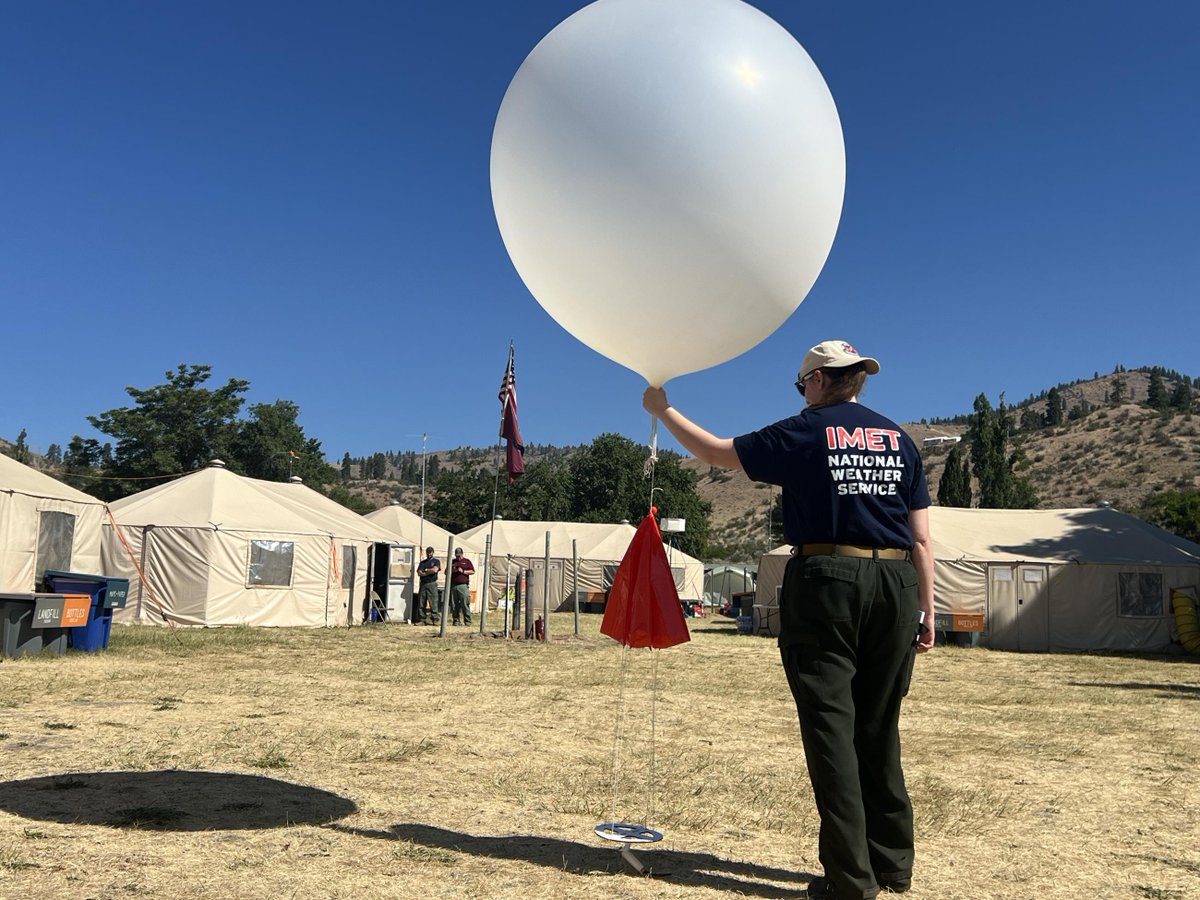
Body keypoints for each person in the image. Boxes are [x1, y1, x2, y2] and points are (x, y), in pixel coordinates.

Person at [643, 340, 935, 900]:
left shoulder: (807, 430)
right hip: (896, 584)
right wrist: (927, 607)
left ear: (820, 381)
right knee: (878, 727)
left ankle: (851, 881)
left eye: (802, 384)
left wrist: (663, 409)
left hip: (828, 578)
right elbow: (922, 537)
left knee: (831, 727)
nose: (803, 393)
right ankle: (893, 864)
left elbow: (717, 453)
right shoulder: (901, 440)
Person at [449, 548, 475, 626]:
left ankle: (467, 621)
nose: (458, 558)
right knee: (454, 604)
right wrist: (453, 570)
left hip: (463, 585)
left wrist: (463, 571)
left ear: (462, 554)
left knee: (465, 603)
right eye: (457, 556)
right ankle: (456, 621)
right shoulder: (453, 562)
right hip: (454, 585)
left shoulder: (467, 561)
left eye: (459, 556)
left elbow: (472, 571)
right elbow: (446, 572)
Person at [415, 547, 441, 626]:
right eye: (428, 552)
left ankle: (435, 619)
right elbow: (419, 572)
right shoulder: (423, 562)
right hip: (423, 583)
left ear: (433, 552)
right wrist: (428, 571)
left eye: (430, 552)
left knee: (433, 602)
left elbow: (435, 570)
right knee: (421, 602)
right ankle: (422, 619)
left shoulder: (436, 561)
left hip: (432, 583)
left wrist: (425, 570)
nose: (429, 554)